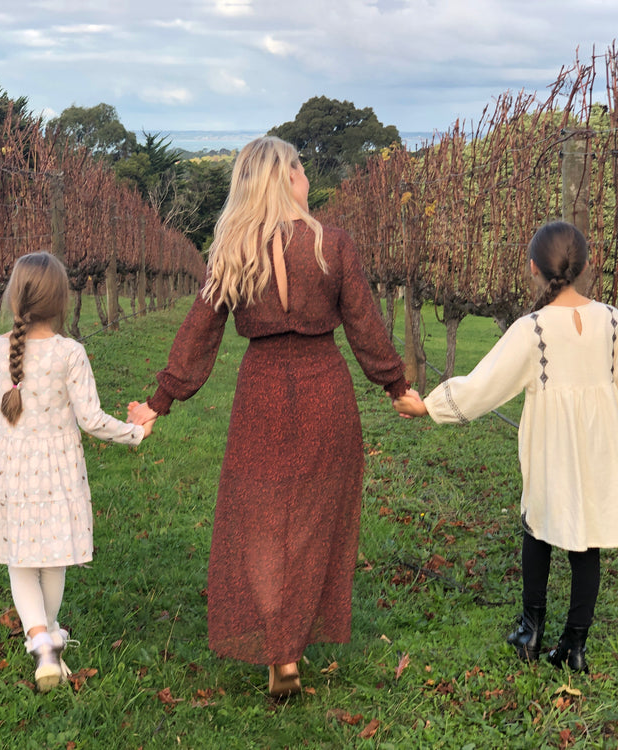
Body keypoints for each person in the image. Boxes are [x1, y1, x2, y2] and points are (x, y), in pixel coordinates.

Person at [128, 136, 413, 698]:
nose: (306, 178)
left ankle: (278, 648)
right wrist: (396, 385)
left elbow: (199, 330)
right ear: (285, 178)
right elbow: (365, 325)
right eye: (301, 168)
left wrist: (160, 401)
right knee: (310, 522)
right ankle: (290, 647)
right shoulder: (331, 245)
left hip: (260, 394)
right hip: (324, 391)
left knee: (259, 522)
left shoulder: (235, 248)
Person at [393, 221, 618, 673]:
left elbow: (483, 384)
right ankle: (574, 646)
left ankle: (531, 631)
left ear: (533, 268)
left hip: (552, 447)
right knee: (586, 541)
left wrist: (427, 408)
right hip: (598, 448)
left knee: (538, 523)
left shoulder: (532, 329)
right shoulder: (610, 319)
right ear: (585, 265)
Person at [0, 251, 151, 692]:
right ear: (62, 301)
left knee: (20, 561)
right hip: (59, 474)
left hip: (10, 472)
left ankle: (43, 640)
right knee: (53, 557)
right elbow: (91, 420)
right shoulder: (70, 353)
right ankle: (46, 637)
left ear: (14, 297)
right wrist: (135, 433)